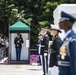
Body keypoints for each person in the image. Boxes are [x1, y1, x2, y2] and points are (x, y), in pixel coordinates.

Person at [58, 11, 76, 75]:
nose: (59, 23)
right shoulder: (66, 38)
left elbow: (74, 61)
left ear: (68, 22)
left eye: (61, 21)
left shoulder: (72, 39)